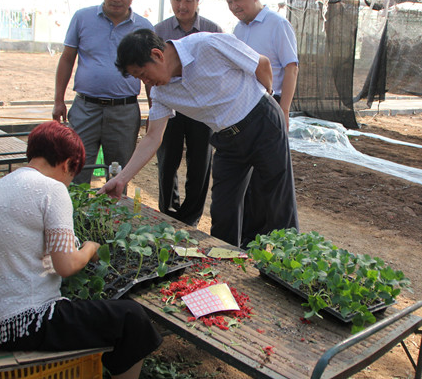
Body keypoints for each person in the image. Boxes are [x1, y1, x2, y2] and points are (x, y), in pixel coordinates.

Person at [0, 121, 161, 379]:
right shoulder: (52, 188)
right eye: (72, 175)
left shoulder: (2, 185)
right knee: (132, 319)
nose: (69, 183)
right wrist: (90, 248)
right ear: (68, 164)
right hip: (18, 324)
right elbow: (66, 266)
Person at [99, 29, 299, 248]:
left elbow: (262, 64)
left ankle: (288, 261)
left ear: (157, 55)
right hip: (227, 140)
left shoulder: (207, 45)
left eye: (143, 74)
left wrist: (264, 98)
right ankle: (228, 263)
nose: (146, 82)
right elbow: (152, 137)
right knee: (223, 210)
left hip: (262, 124)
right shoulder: (161, 93)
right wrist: (121, 179)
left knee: (276, 201)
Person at [53, 0, 152, 187]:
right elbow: (67, 59)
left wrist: (153, 110)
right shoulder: (82, 18)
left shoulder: (144, 27)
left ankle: (114, 211)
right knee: (76, 168)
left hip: (124, 112)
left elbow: (150, 73)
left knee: (119, 175)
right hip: (85, 108)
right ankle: (75, 210)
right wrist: (58, 100)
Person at [223, 0, 299, 246]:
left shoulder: (277, 25)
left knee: (274, 178)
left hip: (271, 105)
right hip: (245, 109)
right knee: (251, 180)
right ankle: (251, 239)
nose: (234, 6)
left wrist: (284, 110)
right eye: (229, 2)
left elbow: (291, 67)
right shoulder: (238, 30)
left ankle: (283, 243)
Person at [152, 0, 222, 226]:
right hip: (170, 107)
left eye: (188, 0)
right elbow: (150, 72)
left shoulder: (213, 30)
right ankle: (168, 212)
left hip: (202, 109)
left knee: (200, 163)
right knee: (167, 160)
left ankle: (191, 218)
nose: (182, 6)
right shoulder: (158, 32)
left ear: (198, 0)